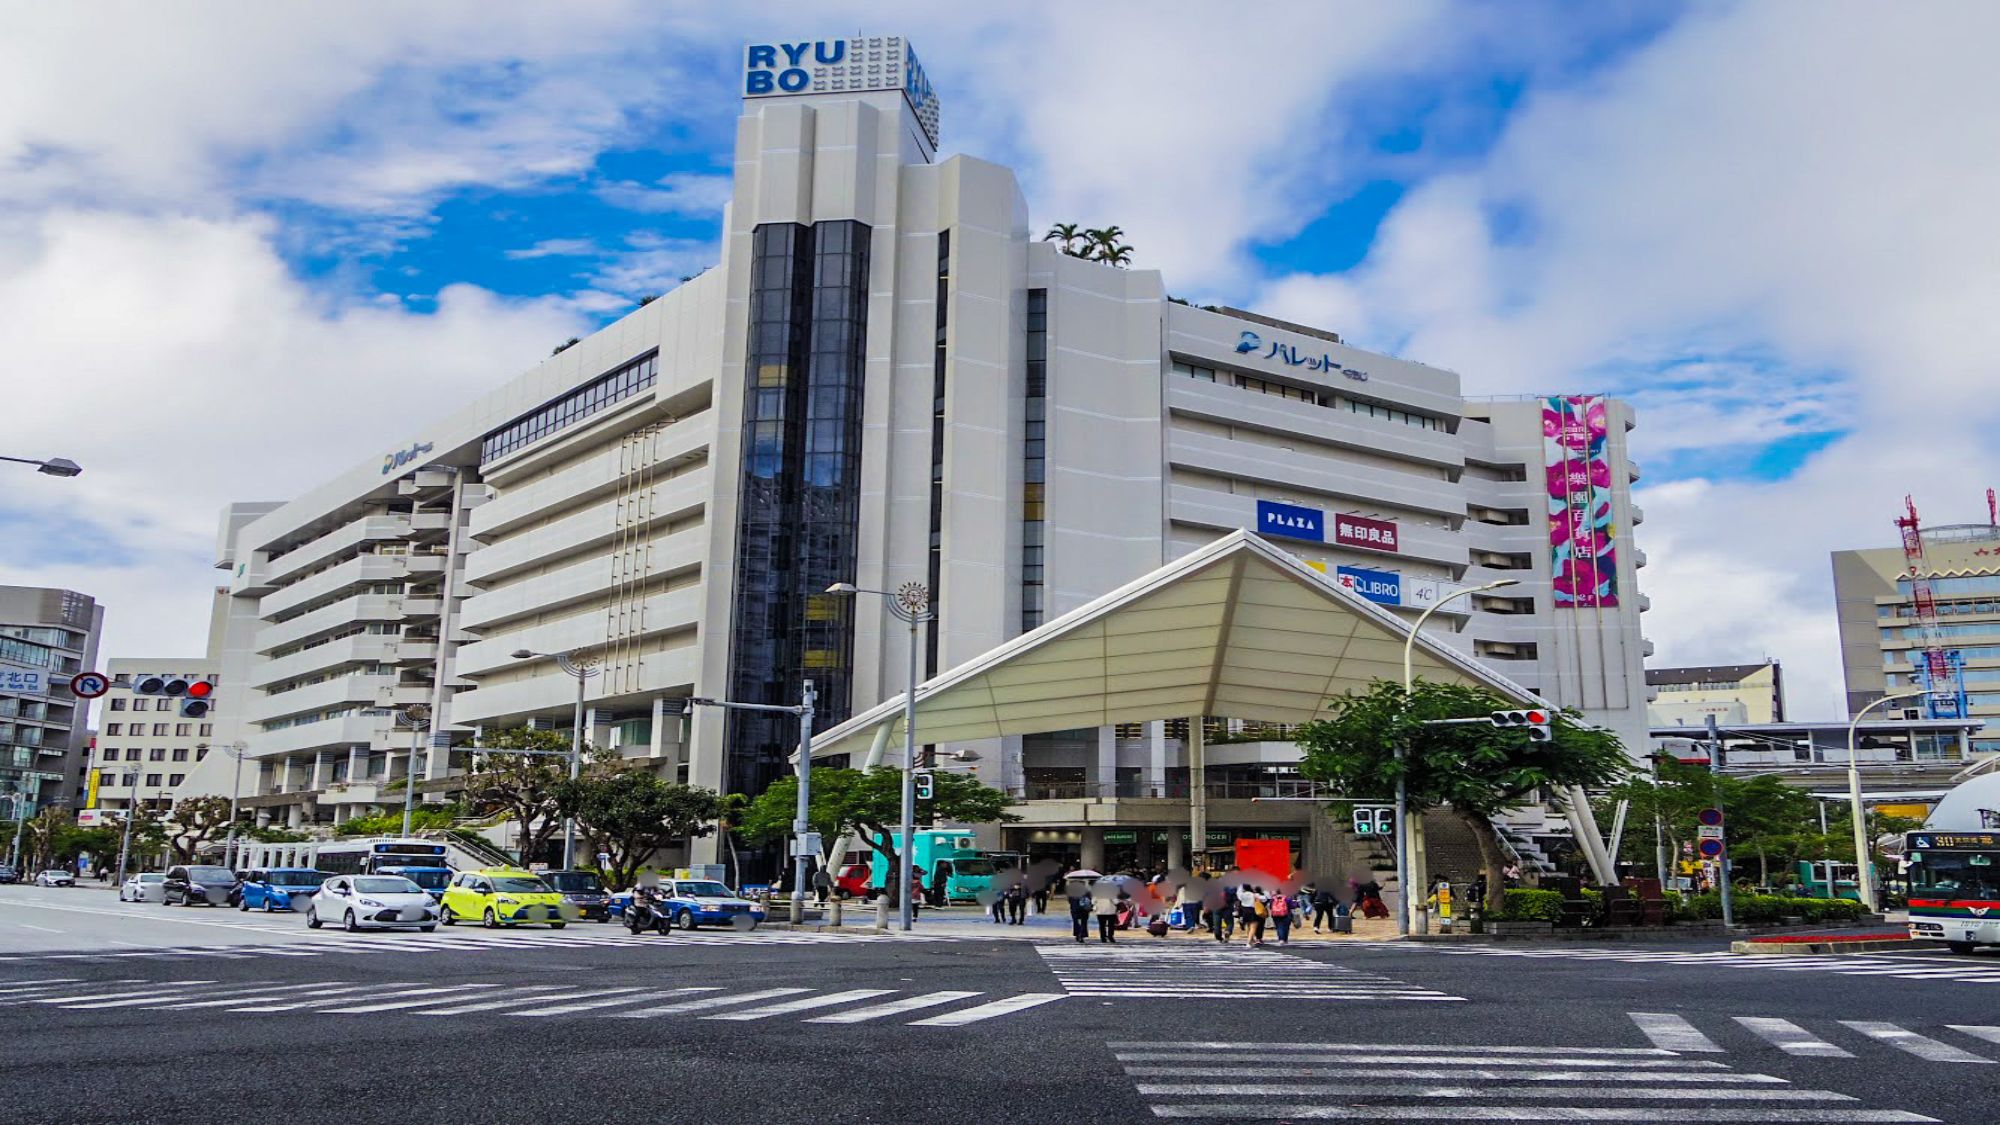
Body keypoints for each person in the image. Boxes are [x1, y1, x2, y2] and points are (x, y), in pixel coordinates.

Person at [1091, 879, 1122, 943]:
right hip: (1110, 910)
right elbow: (1116, 901)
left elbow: (1093, 902)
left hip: (1100, 911)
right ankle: (1110, 936)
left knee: (1102, 925)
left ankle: (1103, 937)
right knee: (1111, 925)